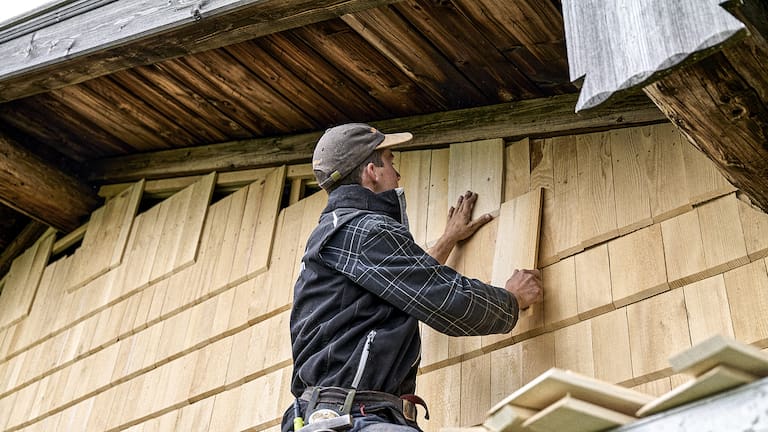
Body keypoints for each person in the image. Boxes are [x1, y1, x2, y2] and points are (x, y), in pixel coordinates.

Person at [281, 123, 543, 432]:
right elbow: (445, 299)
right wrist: (512, 299)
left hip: (341, 416)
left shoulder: (340, 231)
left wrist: (447, 240)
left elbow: (399, 285)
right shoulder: (363, 230)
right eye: (391, 160)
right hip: (351, 420)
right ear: (371, 171)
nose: (397, 173)